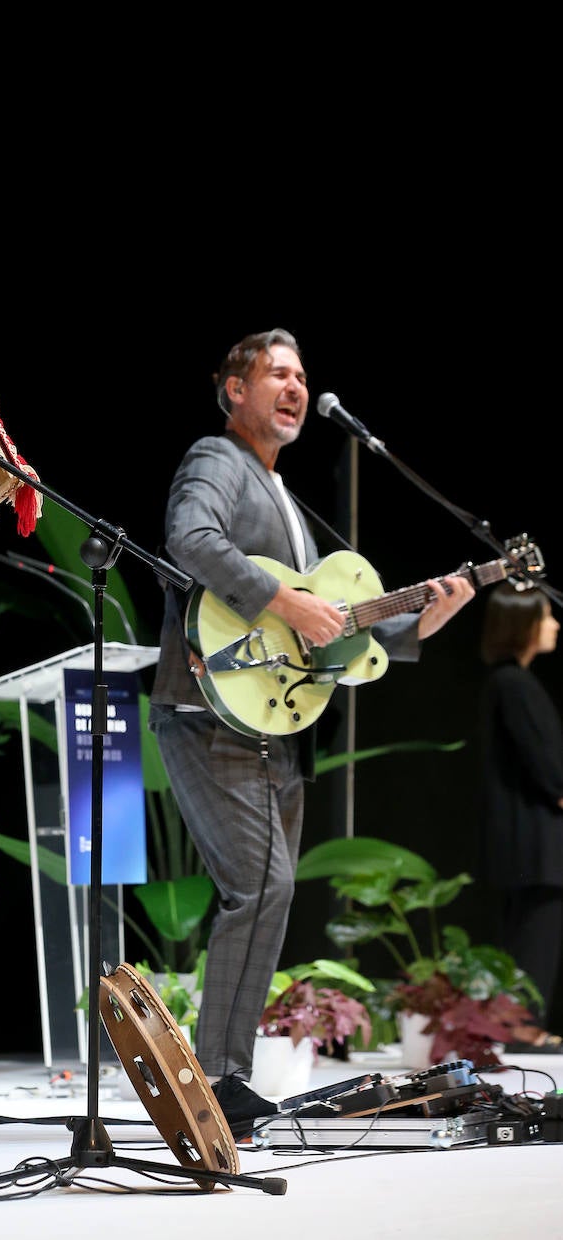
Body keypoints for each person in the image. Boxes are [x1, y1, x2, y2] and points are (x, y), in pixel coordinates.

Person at [148, 328, 475, 1134]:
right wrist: (285, 601)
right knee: (260, 886)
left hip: (275, 718)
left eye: (302, 377)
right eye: (277, 375)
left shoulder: (289, 500)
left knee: (266, 892)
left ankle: (225, 1076)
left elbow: (333, 626)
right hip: (209, 705)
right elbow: (190, 539)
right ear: (234, 388)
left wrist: (421, 621)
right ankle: (215, 1079)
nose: (294, 389)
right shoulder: (216, 459)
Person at [478, 582, 563, 1053]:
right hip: (534, 837)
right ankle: (523, 1030)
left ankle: (517, 1026)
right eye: (546, 615)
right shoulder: (514, 682)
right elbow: (547, 764)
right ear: (524, 625)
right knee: (537, 931)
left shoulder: (511, 681)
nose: (553, 624)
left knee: (532, 929)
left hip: (527, 835)